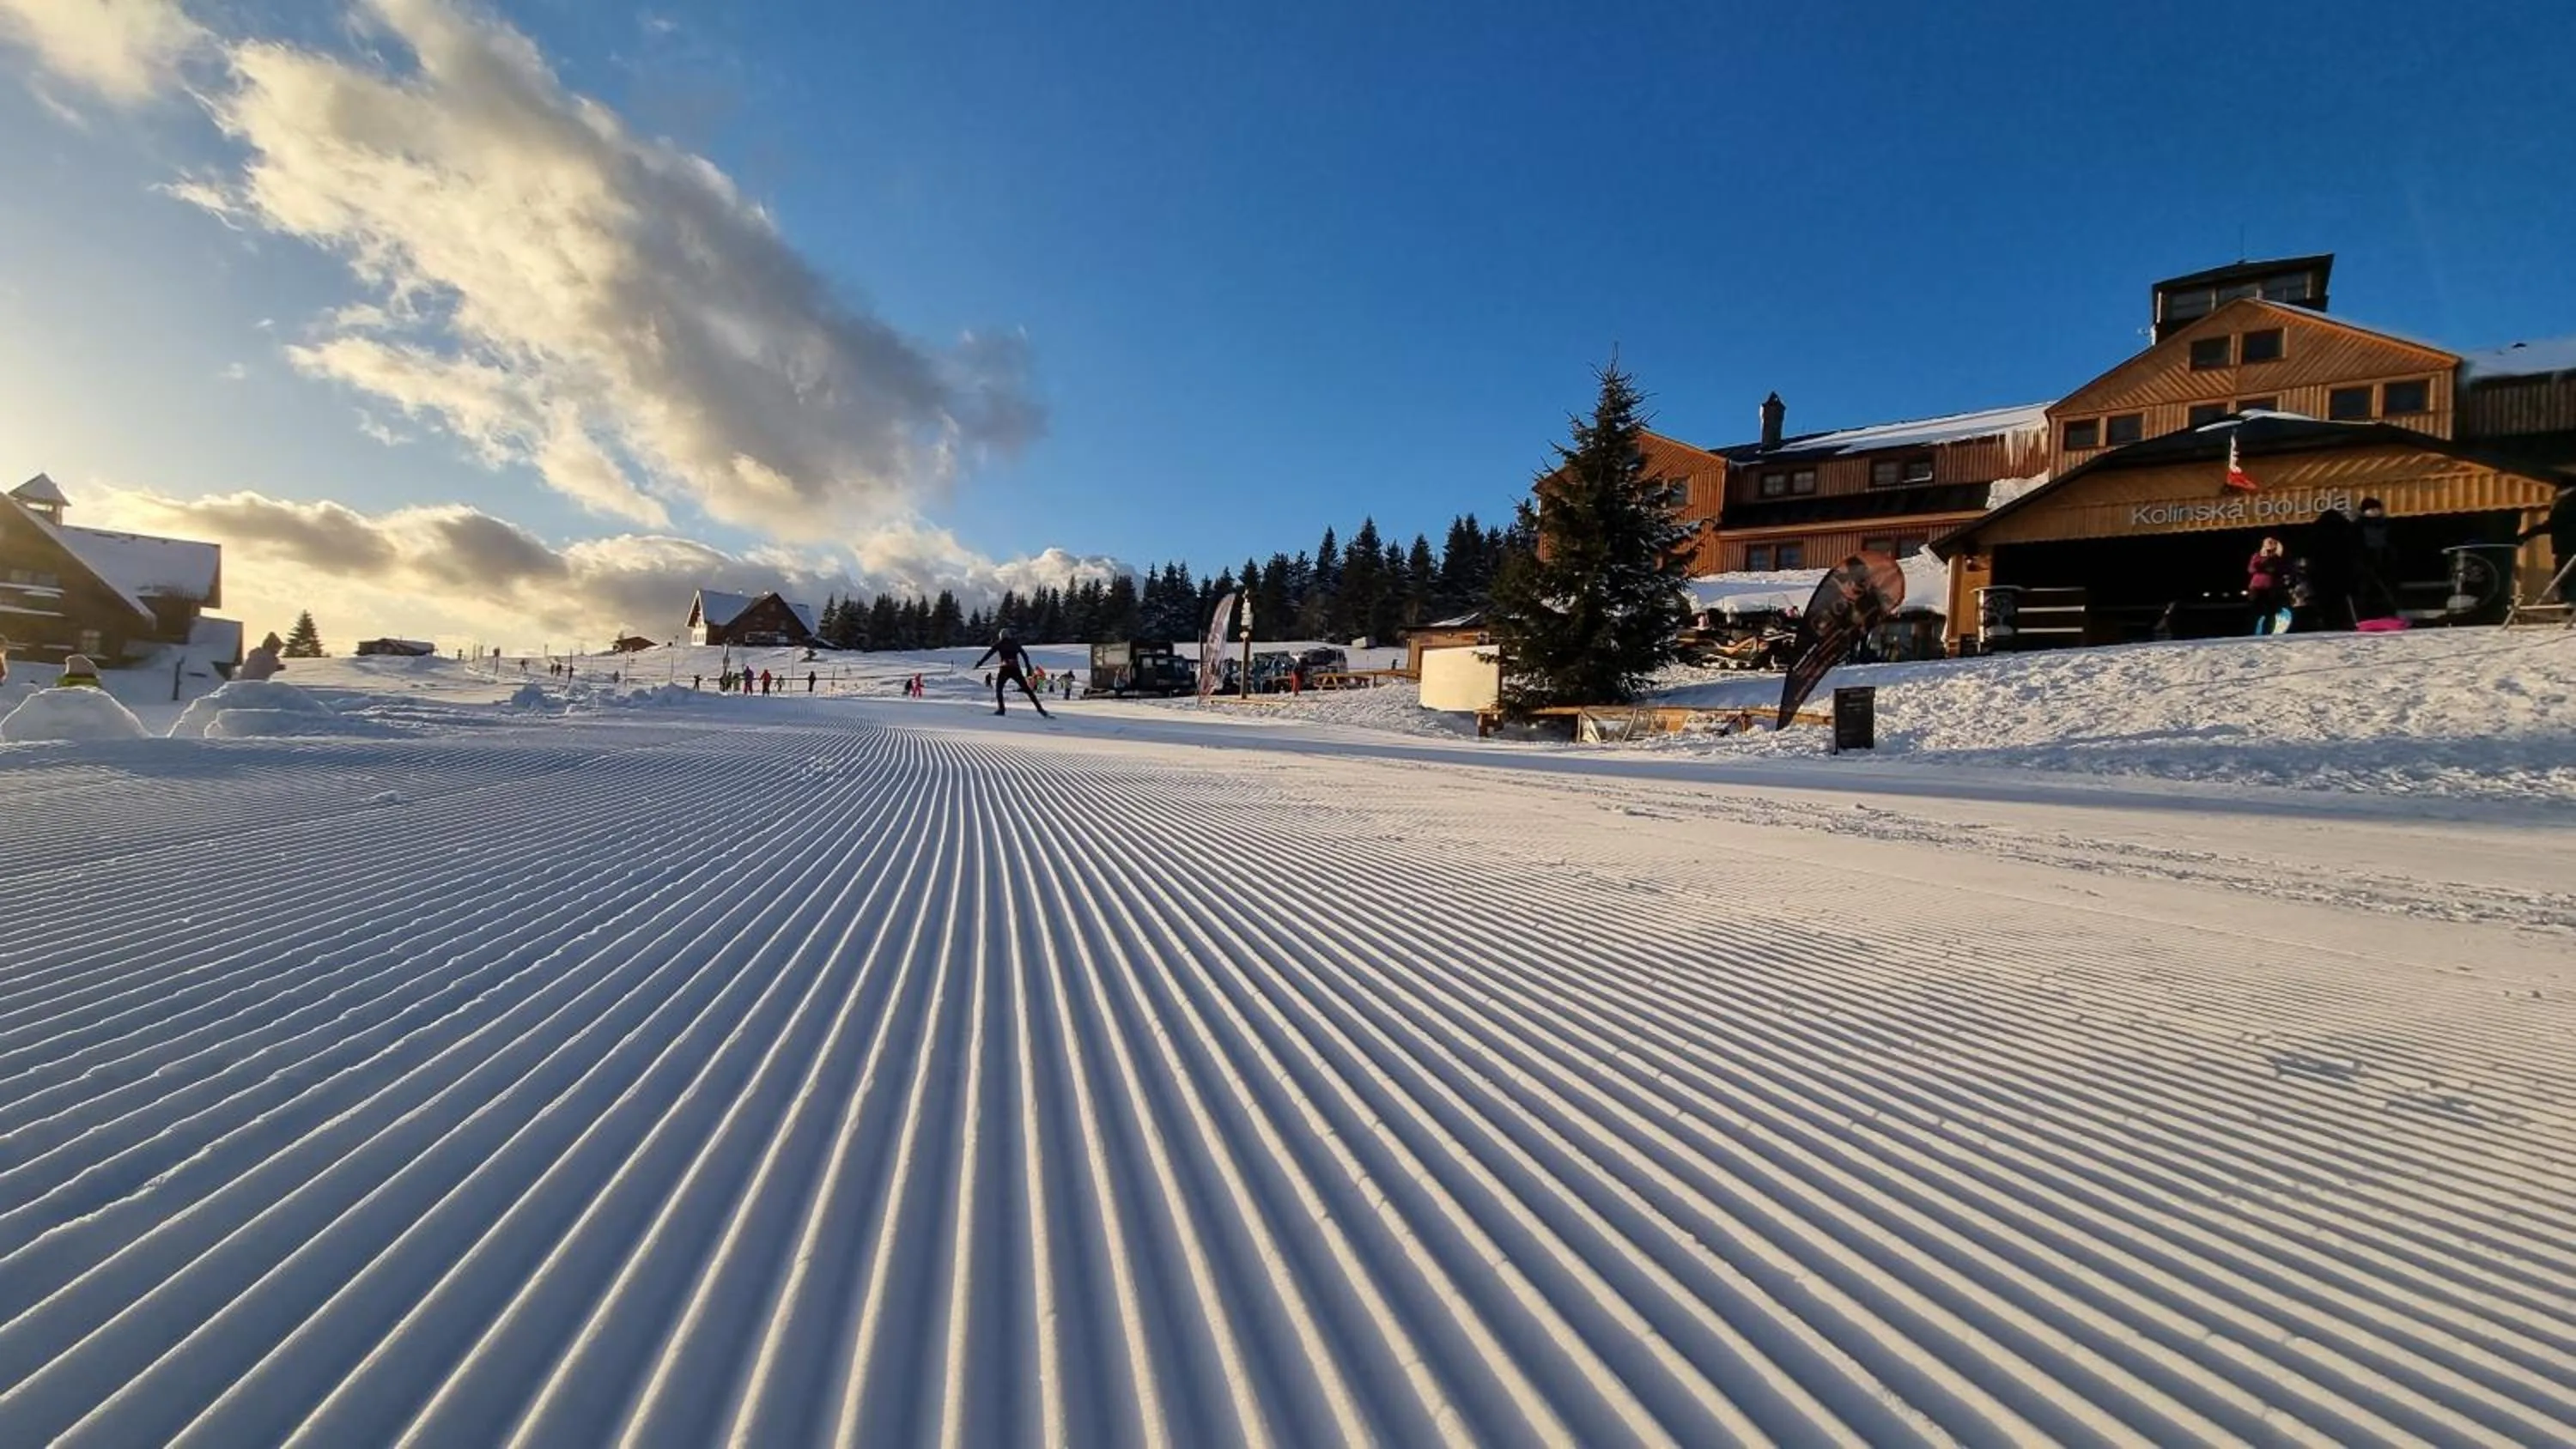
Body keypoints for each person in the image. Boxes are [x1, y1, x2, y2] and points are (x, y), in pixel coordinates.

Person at [973, 628, 1051, 717]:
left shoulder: (999, 644)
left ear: (1001, 636)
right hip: (1015, 669)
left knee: (999, 689)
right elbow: (1025, 655)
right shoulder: (1015, 644)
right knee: (1028, 690)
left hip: (1004, 670)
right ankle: (1040, 709)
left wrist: (979, 664)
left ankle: (1001, 709)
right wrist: (1028, 667)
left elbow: (988, 655)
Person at [2516, 486, 2576, 599]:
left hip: (2567, 548)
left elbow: (2553, 524)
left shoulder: (2567, 501)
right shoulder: (2568, 500)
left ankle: (2566, 601)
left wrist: (2525, 536)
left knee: (2565, 579)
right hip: (2568, 548)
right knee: (2566, 578)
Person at [2353, 498, 2402, 622]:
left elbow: (2392, 544)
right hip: (2365, 566)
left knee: (2387, 591)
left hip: (2385, 564)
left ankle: (2388, 615)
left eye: (2377, 509)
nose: (2375, 511)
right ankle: (2366, 617)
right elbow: (2355, 547)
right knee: (2366, 592)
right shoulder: (2357, 527)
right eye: (2371, 509)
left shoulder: (2387, 524)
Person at [2246, 537, 2290, 634]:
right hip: (2257, 588)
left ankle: (2267, 632)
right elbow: (2251, 569)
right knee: (2255, 611)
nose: (2270, 545)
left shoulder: (2278, 558)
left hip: (2271, 588)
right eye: (2268, 543)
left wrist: (2274, 569)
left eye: (2272, 543)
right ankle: (2253, 632)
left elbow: (2284, 570)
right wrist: (2262, 566)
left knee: (2271, 612)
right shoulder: (2257, 556)